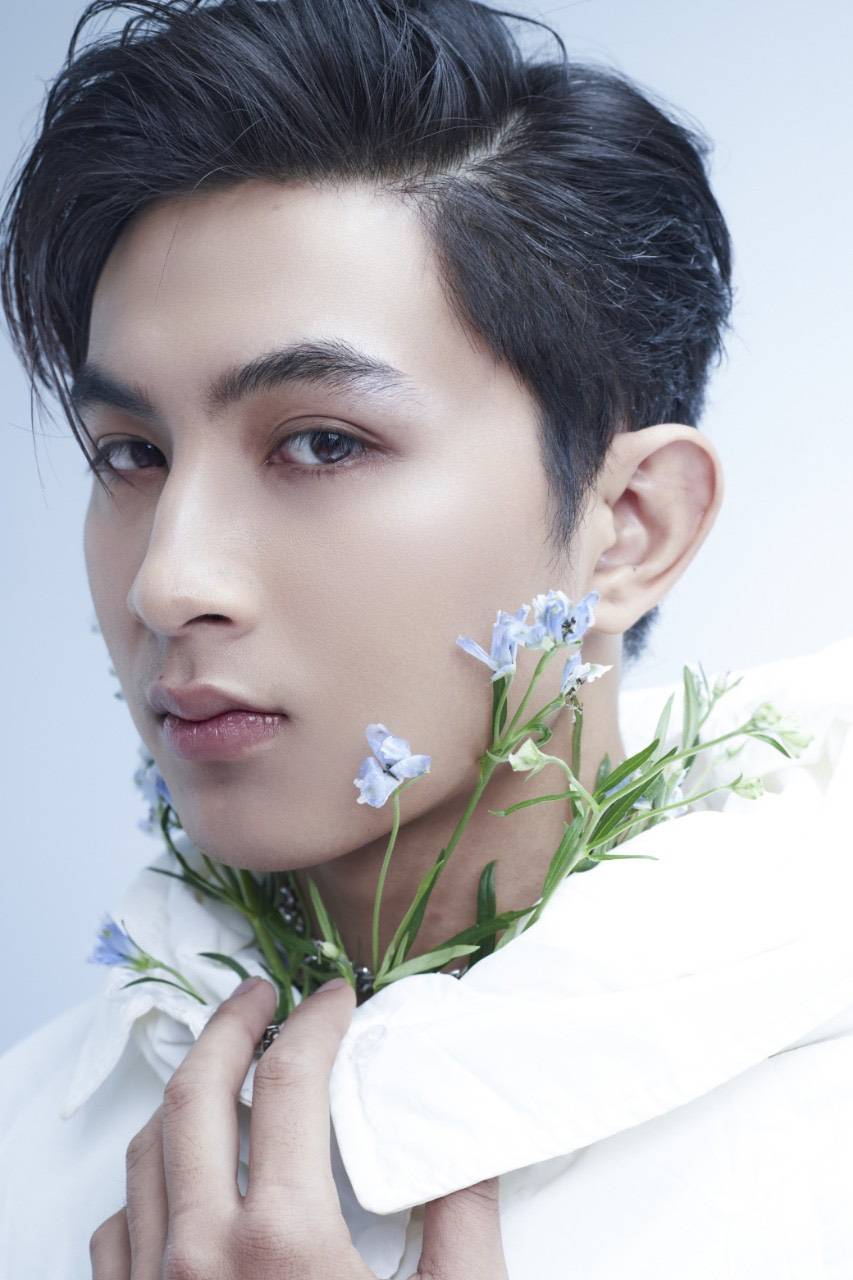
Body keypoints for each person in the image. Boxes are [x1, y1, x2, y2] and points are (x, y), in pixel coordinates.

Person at [1, 0, 851, 1276]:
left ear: (630, 526)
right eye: (131, 453)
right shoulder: (29, 1145)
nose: (168, 580)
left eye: (321, 441)